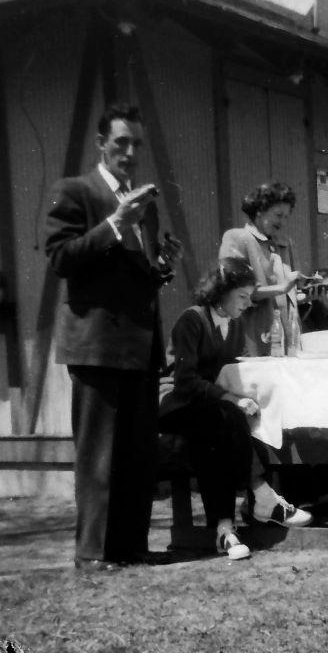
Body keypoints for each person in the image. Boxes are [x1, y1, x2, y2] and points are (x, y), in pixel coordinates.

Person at [44, 103, 182, 571]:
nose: (129, 152)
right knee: (99, 455)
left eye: (136, 144)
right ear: (101, 143)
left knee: (137, 454)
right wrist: (115, 223)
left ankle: (130, 547)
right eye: (120, 142)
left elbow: (135, 274)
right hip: (96, 344)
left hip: (139, 345)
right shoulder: (75, 191)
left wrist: (160, 267)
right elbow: (62, 258)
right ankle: (93, 554)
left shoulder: (145, 203)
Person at [160, 257, 312, 560]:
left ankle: (226, 530)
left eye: (248, 297)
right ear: (220, 293)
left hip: (210, 409)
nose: (247, 303)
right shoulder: (192, 320)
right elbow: (185, 381)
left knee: (222, 427)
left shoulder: (235, 323)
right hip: (176, 403)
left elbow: (238, 364)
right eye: (242, 297)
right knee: (224, 416)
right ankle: (262, 495)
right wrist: (231, 398)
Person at [219, 183, 302, 356]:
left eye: (287, 216)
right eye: (278, 215)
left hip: (287, 340)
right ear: (260, 211)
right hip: (253, 339)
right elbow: (233, 291)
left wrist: (303, 294)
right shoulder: (238, 238)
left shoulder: (285, 244)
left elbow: (287, 296)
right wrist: (282, 288)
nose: (283, 222)